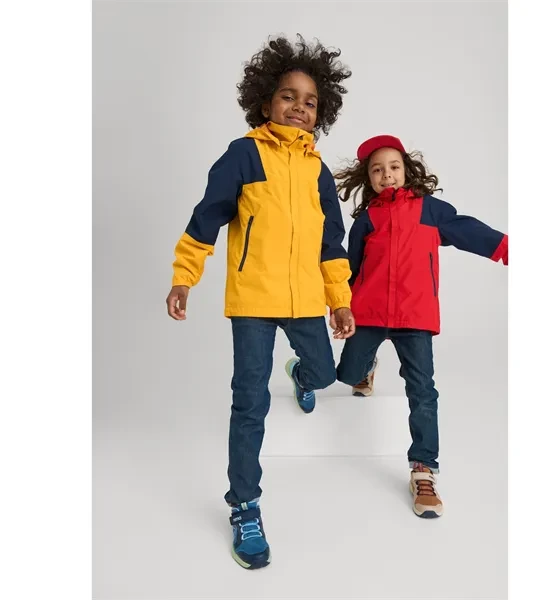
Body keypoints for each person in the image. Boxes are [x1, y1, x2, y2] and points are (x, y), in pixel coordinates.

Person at [165, 35, 355, 569]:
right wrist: (184, 278)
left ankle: (300, 373)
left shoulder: (317, 171)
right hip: (252, 300)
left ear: (321, 112)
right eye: (288, 96)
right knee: (250, 401)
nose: (299, 107)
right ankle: (244, 505)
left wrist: (338, 300)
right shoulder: (244, 155)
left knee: (324, 373)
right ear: (265, 100)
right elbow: (207, 216)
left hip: (304, 299)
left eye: (310, 101)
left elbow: (331, 243)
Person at [334, 134, 508, 519]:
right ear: (368, 178)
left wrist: (506, 248)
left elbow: (468, 230)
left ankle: (423, 469)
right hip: (369, 313)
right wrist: (340, 305)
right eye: (377, 170)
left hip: (415, 316)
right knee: (345, 374)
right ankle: (365, 368)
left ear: (407, 170)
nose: (386, 175)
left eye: (393, 167)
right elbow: (351, 268)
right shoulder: (367, 219)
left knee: (423, 391)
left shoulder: (430, 210)